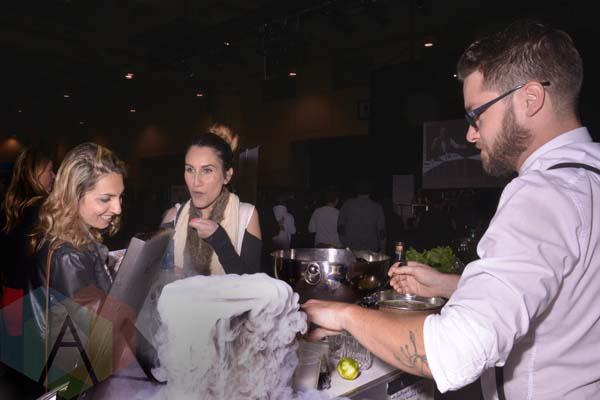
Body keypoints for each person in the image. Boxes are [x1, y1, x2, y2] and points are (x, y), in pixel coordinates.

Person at [303, 20, 600, 399]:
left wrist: (345, 315)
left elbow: (455, 352)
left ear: (530, 99)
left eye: (477, 114)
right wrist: (448, 284)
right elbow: (560, 291)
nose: (471, 133)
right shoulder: (588, 177)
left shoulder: (542, 192)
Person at [28, 143, 126, 398]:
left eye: (119, 197)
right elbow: (101, 335)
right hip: (75, 385)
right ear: (74, 196)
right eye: (105, 199)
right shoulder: (69, 255)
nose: (118, 208)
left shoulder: (77, 237)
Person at [161, 133, 261, 276]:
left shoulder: (246, 216)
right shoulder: (174, 216)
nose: (196, 182)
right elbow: (155, 277)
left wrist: (220, 240)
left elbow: (252, 284)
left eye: (207, 170)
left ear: (227, 176)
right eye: (190, 170)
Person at [1, 146, 54, 335]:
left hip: (11, 296)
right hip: (35, 302)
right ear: (35, 173)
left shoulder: (8, 209)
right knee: (34, 351)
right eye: (50, 170)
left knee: (16, 349)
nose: (54, 176)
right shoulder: (44, 210)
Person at [337, 179, 386, 252]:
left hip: (351, 248)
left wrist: (345, 244)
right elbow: (381, 231)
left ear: (357, 191)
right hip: (371, 248)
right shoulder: (377, 207)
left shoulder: (347, 204)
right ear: (370, 192)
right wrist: (383, 249)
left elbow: (340, 227)